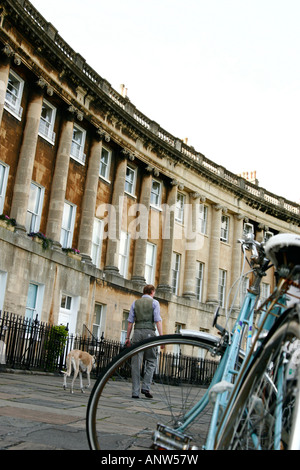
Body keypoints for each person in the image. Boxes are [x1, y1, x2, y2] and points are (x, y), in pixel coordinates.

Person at [125, 284, 163, 399]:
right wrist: (161, 337)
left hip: (137, 333)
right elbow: (157, 320)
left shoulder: (135, 303)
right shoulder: (155, 303)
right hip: (149, 333)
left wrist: (127, 338)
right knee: (151, 360)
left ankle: (135, 392)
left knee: (136, 363)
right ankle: (146, 387)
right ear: (152, 291)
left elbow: (130, 322)